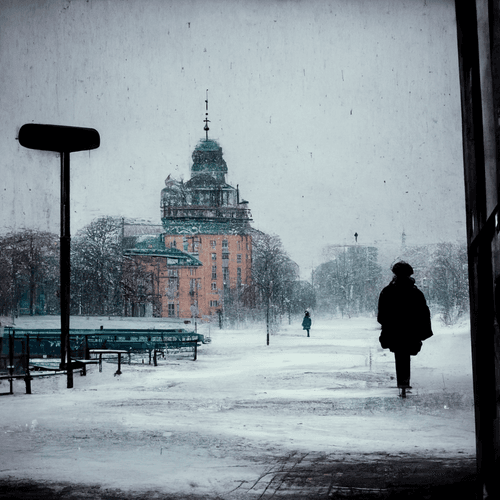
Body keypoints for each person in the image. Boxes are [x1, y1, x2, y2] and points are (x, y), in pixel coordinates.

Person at [377, 261, 433, 393]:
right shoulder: (416, 293)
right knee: (406, 354)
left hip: (394, 332)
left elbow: (382, 315)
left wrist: (387, 326)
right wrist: (423, 332)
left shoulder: (387, 292)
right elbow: (424, 313)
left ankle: (402, 383)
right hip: (411, 332)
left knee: (399, 355)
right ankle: (404, 382)